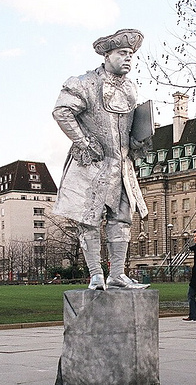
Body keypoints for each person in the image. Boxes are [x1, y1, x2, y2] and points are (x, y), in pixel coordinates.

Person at [52, 29, 151, 290]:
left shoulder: (130, 88)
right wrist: (84, 142)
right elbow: (62, 112)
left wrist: (138, 140)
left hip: (121, 166)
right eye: (122, 53)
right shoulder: (84, 82)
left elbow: (126, 131)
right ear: (107, 55)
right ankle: (96, 274)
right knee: (89, 219)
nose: (128, 58)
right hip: (92, 165)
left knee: (122, 219)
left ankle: (117, 274)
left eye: (131, 54)